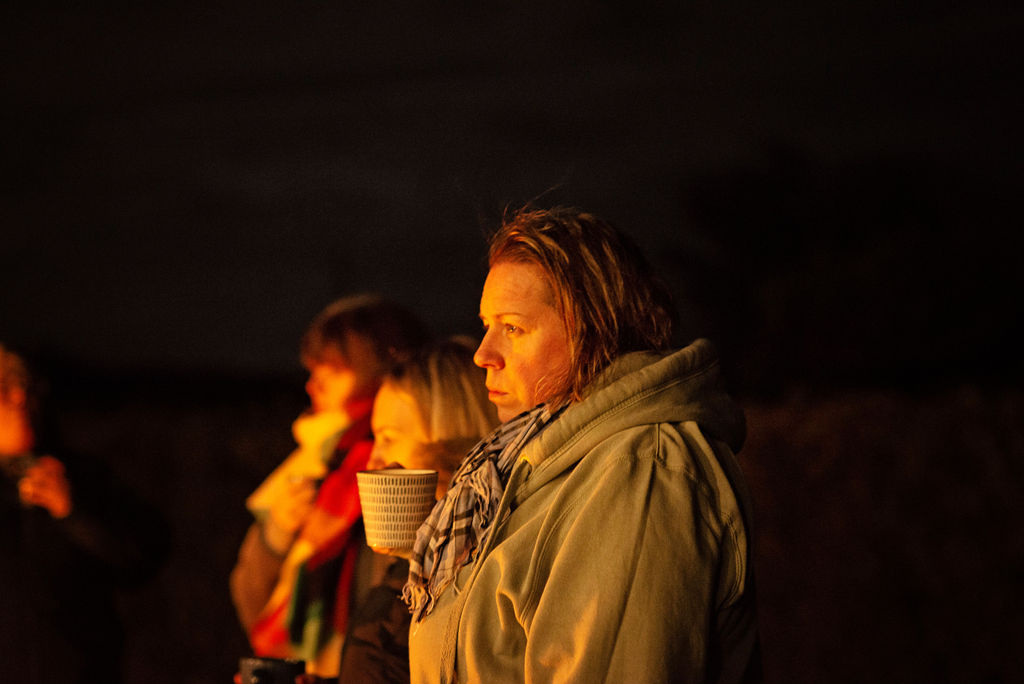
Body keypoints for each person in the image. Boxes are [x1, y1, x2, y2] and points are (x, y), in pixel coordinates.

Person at [403, 207, 761, 683]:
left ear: (593, 330)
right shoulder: (522, 465)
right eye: (487, 324)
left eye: (513, 328)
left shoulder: (642, 471)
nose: (483, 354)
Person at [230, 295, 429, 677]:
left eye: (333, 371)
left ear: (381, 370)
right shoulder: (316, 463)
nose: (312, 385)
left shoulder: (399, 469)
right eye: (312, 370)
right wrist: (276, 534)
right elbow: (249, 601)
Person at [295, 337, 499, 684]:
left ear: (448, 437)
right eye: (375, 438)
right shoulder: (410, 564)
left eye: (388, 438)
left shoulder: (471, 578)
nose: (374, 459)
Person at [0, 343, 168, 683]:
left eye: (24, 385)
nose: (19, 397)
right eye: (3, 388)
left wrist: (72, 512)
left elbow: (142, 557)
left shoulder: (82, 477)